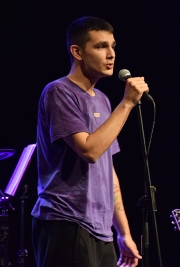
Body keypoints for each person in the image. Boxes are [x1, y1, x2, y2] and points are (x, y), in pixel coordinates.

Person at [31, 16, 148, 267]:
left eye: (113, 46)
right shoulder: (59, 92)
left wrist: (123, 233)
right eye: (100, 46)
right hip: (65, 222)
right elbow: (89, 151)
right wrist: (127, 103)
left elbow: (108, 171)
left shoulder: (103, 100)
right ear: (77, 51)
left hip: (101, 229)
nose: (111, 54)